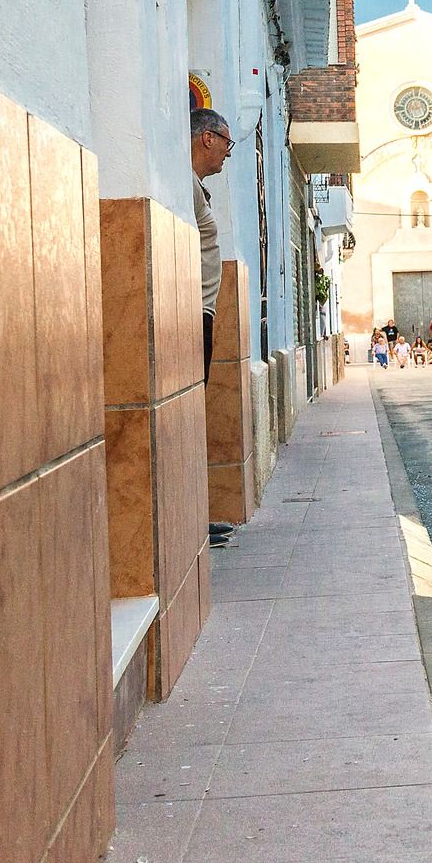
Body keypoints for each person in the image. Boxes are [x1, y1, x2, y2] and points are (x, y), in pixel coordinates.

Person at [191, 108, 236, 549]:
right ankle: (192, 522)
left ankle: (195, 519)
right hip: (189, 315)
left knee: (193, 421)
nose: (228, 152)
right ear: (207, 138)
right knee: (188, 423)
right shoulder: (183, 184)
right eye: (226, 142)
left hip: (200, 314)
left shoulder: (194, 187)